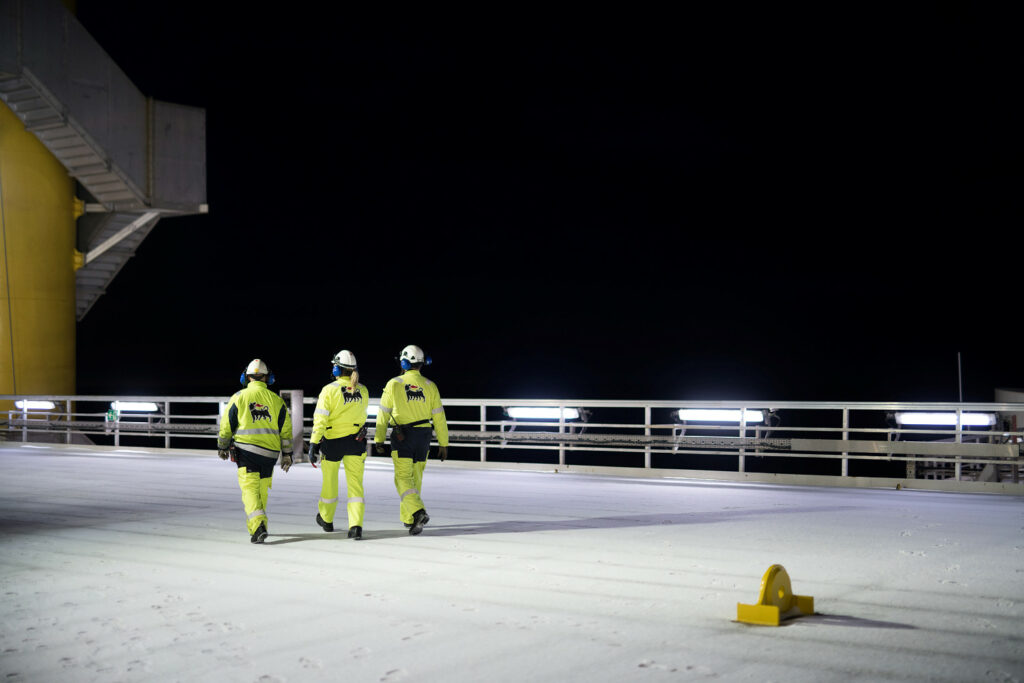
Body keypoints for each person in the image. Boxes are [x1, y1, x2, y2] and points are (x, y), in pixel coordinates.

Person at [374, 344, 449, 535]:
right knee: (416, 478)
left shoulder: (394, 383)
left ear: (405, 362)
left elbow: (383, 413)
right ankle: (408, 518)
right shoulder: (430, 386)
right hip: (424, 436)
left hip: (403, 437)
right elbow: (439, 416)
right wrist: (443, 443)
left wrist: (379, 439)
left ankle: (417, 512)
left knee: (402, 478)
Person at [217, 359, 294, 544]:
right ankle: (258, 526)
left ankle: (258, 525)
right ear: (268, 378)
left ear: (246, 377)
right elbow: (286, 430)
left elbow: (227, 424)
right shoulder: (277, 401)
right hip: (270, 454)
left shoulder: (239, 397)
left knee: (250, 490)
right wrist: (287, 454)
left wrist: (222, 445)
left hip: (246, 451)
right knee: (261, 490)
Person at [309, 349, 369, 540]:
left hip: (332, 442)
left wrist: (313, 443)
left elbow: (320, 420)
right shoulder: (363, 390)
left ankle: (326, 519)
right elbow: (362, 416)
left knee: (330, 483)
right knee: (356, 486)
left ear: (337, 369)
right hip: (355, 442)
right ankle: (356, 525)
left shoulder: (329, 390)